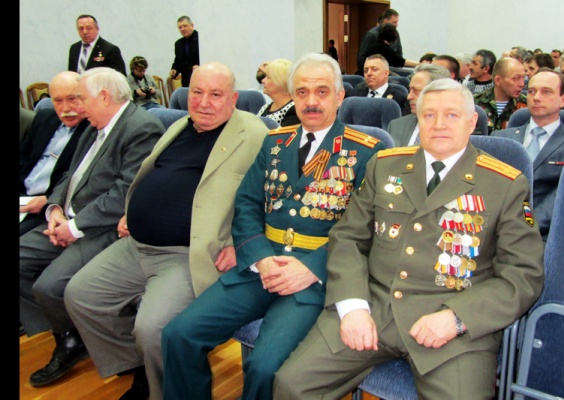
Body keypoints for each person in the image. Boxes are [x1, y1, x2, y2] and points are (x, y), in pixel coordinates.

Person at [272, 78, 545, 399]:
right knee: (291, 386)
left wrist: (457, 319)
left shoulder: (504, 184)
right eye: (429, 115)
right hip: (373, 307)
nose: (439, 124)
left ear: (472, 122)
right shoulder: (385, 165)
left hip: (450, 322)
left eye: (452, 115)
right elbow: (347, 238)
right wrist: (352, 306)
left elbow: (523, 275)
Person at [161, 53, 387, 400]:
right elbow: (247, 204)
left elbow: (365, 229)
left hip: (313, 277)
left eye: (322, 91)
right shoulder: (275, 142)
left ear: (340, 96)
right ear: (292, 96)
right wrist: (261, 258)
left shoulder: (366, 152)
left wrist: (311, 268)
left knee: (265, 367)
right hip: (260, 268)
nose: (311, 102)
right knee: (178, 334)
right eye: (302, 92)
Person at [64, 62, 269, 400]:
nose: (203, 102)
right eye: (197, 92)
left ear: (233, 99)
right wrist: (132, 211)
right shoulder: (179, 126)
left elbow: (270, 198)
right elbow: (151, 174)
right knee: (80, 295)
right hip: (135, 244)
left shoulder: (254, 133)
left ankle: (159, 388)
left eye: (215, 95)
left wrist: (241, 243)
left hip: (186, 254)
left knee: (152, 329)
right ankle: (145, 367)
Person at [20, 67, 164, 388]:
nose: (78, 107)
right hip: (68, 219)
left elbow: (125, 193)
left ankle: (90, 341)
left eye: (82, 98)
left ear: (104, 97)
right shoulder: (94, 125)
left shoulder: (141, 128)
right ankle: (69, 333)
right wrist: (55, 209)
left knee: (49, 286)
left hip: (104, 228)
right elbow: (69, 175)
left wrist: (74, 226)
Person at [493, 68, 564, 242]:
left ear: (563, 100)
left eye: (546, 92)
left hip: (541, 235)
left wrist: (523, 228)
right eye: (531, 91)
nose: (536, 97)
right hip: (493, 229)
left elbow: (562, 198)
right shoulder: (500, 139)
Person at [20, 71, 91, 236]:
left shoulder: (93, 130)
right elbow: (23, 157)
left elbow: (84, 181)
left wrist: (49, 199)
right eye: (58, 101)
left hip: (50, 205)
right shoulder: (44, 118)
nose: (66, 108)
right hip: (23, 196)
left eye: (72, 99)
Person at [387, 63, 450, 146]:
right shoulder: (397, 125)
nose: (409, 97)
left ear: (438, 92)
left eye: (416, 90)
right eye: (410, 90)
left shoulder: (454, 129)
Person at [474, 57, 527, 134]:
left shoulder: (526, 106)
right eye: (516, 78)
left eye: (523, 78)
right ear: (498, 80)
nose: (522, 84)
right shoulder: (475, 103)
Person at [355, 8, 403, 75]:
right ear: (385, 20)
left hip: (390, 68)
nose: (397, 25)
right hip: (374, 70)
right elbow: (361, 60)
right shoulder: (371, 35)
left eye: (397, 22)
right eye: (394, 22)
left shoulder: (396, 33)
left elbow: (399, 54)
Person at [256, 59, 301, 127]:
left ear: (280, 82)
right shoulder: (265, 108)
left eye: (268, 78)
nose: (263, 80)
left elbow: (284, 133)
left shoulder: (295, 110)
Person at [169, 16, 200, 88]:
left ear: (192, 25)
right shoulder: (178, 44)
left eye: (185, 26)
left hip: (200, 79)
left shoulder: (201, 39)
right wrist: (174, 69)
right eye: (180, 27)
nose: (182, 29)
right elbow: (178, 61)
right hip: (186, 82)